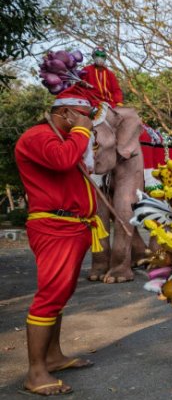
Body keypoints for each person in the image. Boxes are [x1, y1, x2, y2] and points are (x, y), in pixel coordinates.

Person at [14, 91, 107, 395]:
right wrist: (81, 132)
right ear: (66, 113)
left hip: (73, 226)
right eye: (84, 116)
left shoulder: (67, 138)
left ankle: (52, 357)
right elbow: (62, 160)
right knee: (50, 295)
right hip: (54, 227)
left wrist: (81, 134)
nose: (89, 122)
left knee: (60, 294)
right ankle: (36, 373)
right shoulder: (37, 136)